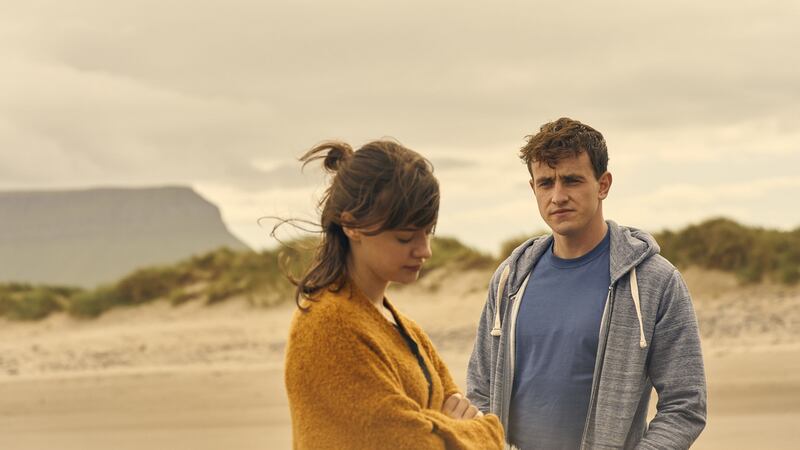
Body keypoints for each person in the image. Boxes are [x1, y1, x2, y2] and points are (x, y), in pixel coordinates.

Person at [466, 118, 707, 449]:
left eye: (572, 180)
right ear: (533, 188)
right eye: (546, 183)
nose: (558, 196)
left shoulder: (655, 281)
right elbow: (481, 389)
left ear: (603, 184)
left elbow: (686, 404)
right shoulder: (511, 277)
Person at [284, 140, 504, 450]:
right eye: (404, 238)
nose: (424, 250)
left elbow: (452, 417)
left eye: (427, 232)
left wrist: (439, 426)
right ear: (351, 224)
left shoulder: (403, 328)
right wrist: (485, 432)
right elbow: (405, 442)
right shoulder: (328, 325)